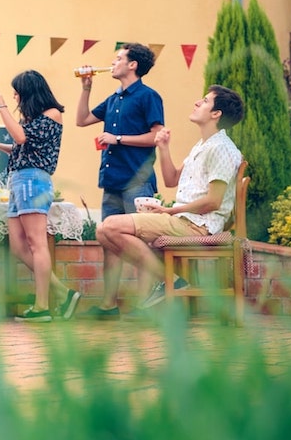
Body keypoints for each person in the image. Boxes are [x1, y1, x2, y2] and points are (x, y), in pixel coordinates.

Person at [94, 85, 245, 314]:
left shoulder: (221, 149)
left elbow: (213, 202)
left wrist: (169, 212)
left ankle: (170, 281)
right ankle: (169, 281)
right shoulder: (203, 145)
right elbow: (171, 179)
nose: (197, 103)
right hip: (183, 219)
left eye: (204, 101)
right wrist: (163, 147)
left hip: (197, 226)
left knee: (110, 227)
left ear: (216, 114)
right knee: (104, 230)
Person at [0, 70, 81, 322]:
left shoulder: (52, 114)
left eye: (17, 93)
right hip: (19, 179)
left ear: (30, 91)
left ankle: (42, 306)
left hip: (33, 180)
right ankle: (64, 294)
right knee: (18, 246)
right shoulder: (32, 118)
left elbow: (20, 137)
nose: (14, 97)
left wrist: (0, 105)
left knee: (36, 244)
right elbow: (21, 146)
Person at [76, 42, 165, 319]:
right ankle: (108, 305)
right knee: (110, 244)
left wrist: (118, 139)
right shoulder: (114, 98)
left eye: (118, 58)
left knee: (140, 243)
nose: (113, 63)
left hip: (137, 182)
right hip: (112, 180)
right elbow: (81, 120)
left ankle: (144, 306)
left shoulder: (148, 96)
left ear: (132, 65)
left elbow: (157, 136)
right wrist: (86, 87)